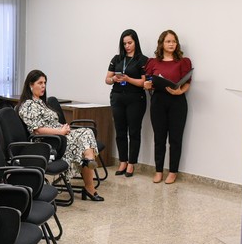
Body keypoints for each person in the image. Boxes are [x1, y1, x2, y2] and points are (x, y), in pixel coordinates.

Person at [18, 70, 103, 202]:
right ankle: (89, 181)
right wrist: (60, 131)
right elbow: (38, 130)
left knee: (87, 132)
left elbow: (51, 122)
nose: (43, 86)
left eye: (44, 83)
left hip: (58, 136)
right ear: (30, 85)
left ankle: (88, 161)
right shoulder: (28, 105)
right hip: (48, 142)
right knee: (85, 138)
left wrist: (64, 128)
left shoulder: (41, 102)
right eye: (40, 83)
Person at [143, 30, 193, 185]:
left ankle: (173, 172)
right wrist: (146, 85)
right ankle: (158, 171)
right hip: (158, 101)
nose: (172, 44)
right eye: (168, 41)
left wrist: (180, 91)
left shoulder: (183, 62)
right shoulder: (153, 62)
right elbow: (146, 82)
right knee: (159, 138)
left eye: (174, 41)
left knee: (175, 139)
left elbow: (187, 83)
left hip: (177, 102)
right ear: (162, 44)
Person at [105, 29, 148, 177]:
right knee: (120, 131)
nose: (127, 46)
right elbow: (107, 79)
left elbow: (144, 82)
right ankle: (122, 161)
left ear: (135, 42)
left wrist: (128, 79)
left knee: (134, 131)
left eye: (130, 43)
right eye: (124, 44)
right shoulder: (117, 59)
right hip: (117, 97)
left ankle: (131, 163)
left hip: (135, 99)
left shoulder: (142, 60)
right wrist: (114, 79)